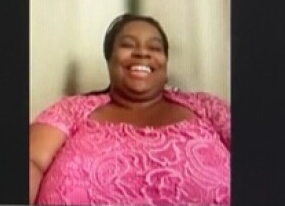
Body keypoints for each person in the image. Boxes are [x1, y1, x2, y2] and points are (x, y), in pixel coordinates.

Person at [28, 14, 230, 205]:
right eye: (127, 45)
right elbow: (31, 162)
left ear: (165, 64)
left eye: (155, 48)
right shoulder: (71, 111)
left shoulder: (208, 108)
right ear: (109, 59)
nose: (143, 52)